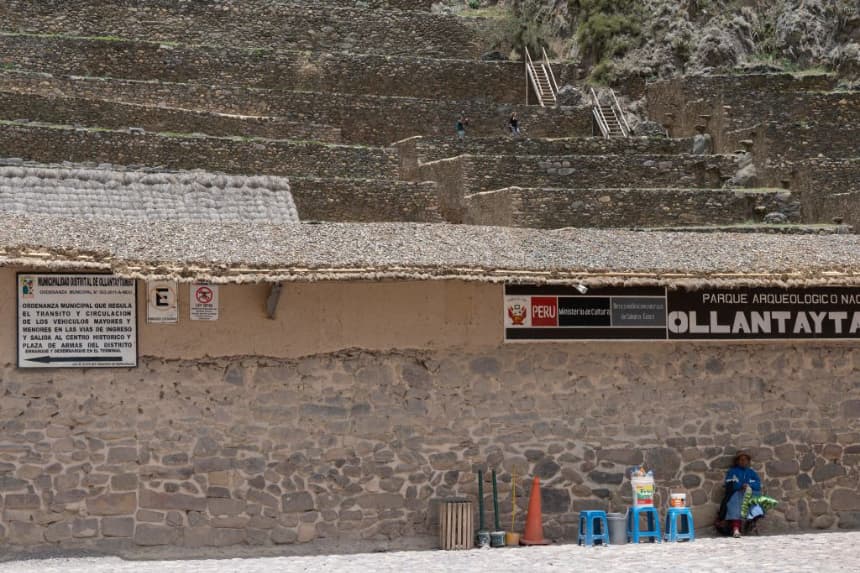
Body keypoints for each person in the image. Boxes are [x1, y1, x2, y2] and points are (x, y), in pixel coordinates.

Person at [719, 450, 762, 537]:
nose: (743, 461)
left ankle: (751, 524)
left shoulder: (751, 472)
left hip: (749, 494)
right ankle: (736, 529)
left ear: (748, 461)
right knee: (735, 505)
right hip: (736, 494)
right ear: (737, 461)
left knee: (756, 503)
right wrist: (740, 486)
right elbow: (729, 483)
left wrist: (749, 485)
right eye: (741, 459)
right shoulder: (733, 471)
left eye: (745, 459)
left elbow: (758, 484)